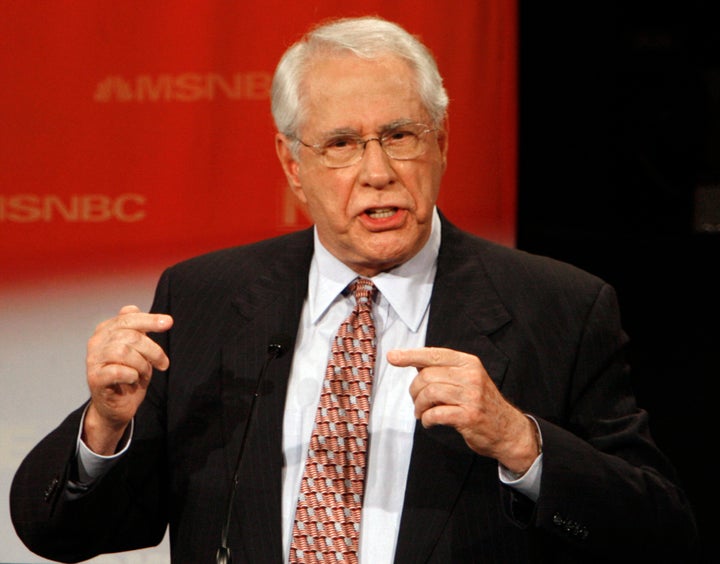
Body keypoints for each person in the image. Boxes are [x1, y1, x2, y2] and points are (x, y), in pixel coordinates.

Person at [11, 15, 699, 564]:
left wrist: (520, 442)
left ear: (442, 144)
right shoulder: (205, 299)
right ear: (292, 162)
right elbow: (58, 533)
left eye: (400, 135)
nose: (377, 171)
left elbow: (661, 532)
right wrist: (104, 427)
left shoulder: (559, 307)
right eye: (341, 143)